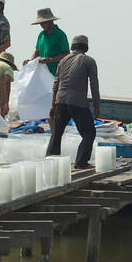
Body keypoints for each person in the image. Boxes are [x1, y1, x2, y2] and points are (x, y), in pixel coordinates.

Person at [46, 35, 100, 168]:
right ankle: (81, 162)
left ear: (72, 47)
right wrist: (97, 107)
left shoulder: (63, 61)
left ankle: (50, 162)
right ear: (86, 47)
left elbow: (56, 84)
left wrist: (53, 105)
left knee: (57, 133)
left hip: (60, 100)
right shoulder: (89, 61)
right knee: (89, 132)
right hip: (78, 102)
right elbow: (94, 85)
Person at [25, 7, 70, 75]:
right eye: (40, 23)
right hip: (43, 75)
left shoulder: (60, 35)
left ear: (50, 21)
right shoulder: (41, 35)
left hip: (57, 74)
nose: (41, 25)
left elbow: (66, 54)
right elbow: (37, 52)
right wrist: (30, 61)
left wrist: (51, 60)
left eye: (43, 23)